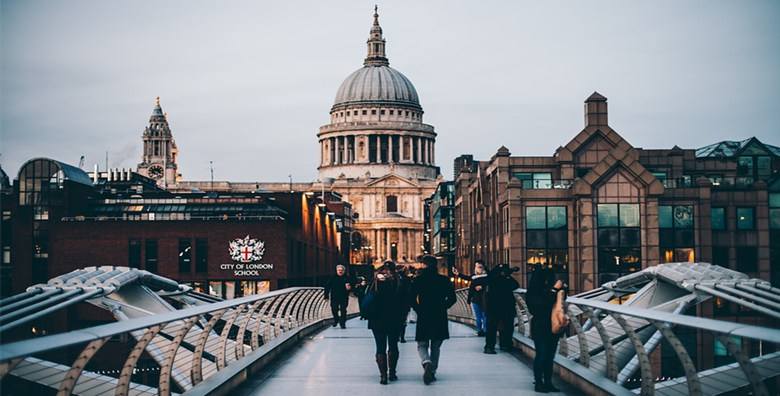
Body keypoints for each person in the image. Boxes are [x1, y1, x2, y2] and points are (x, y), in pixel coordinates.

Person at [410, 255, 457, 385]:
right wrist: (443, 307)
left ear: (424, 265)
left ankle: (426, 363)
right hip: (439, 315)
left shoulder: (418, 280)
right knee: (436, 346)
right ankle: (433, 371)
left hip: (424, 315)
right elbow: (453, 298)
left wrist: (419, 309)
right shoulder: (444, 280)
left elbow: (411, 298)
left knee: (422, 344)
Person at [365, 260, 408, 384]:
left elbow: (366, 297)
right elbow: (406, 301)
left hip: (377, 319)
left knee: (380, 347)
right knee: (393, 345)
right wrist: (403, 316)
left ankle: (383, 376)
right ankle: (392, 373)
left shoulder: (375, 283)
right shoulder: (399, 282)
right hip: (395, 319)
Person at [526, 266, 565, 393]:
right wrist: (554, 290)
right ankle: (538, 383)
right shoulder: (533, 292)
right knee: (541, 355)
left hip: (552, 326)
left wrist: (561, 289)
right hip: (540, 326)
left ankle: (548, 382)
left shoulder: (549, 290)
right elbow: (539, 306)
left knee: (550, 356)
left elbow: (561, 301)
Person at [483, 264, 520, 354]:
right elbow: (515, 285)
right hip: (502, 306)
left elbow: (515, 285)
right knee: (502, 327)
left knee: (496, 327)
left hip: (497, 306)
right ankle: (501, 345)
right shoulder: (497, 279)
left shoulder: (493, 278)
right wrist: (506, 276)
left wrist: (505, 275)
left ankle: (492, 346)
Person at [452, 260, 489, 336]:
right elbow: (467, 278)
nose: (478, 268)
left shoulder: (487, 276)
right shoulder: (473, 276)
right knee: (478, 316)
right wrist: (457, 273)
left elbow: (490, 283)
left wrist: (482, 287)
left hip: (485, 299)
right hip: (475, 299)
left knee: (485, 315)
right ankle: (480, 330)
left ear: (483, 267)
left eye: (480, 267)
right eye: (476, 266)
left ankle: (485, 331)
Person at [323, 264, 352, 329]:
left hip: (344, 297)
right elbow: (327, 286)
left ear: (344, 271)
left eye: (341, 270)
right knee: (334, 309)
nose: (340, 271)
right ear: (336, 271)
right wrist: (326, 296)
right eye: (339, 270)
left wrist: (350, 288)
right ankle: (336, 319)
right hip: (334, 297)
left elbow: (352, 286)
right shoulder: (332, 277)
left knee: (343, 310)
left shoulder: (347, 278)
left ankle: (343, 323)